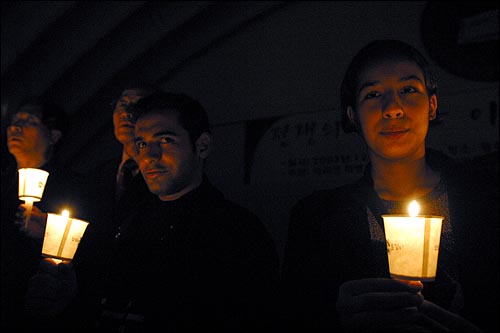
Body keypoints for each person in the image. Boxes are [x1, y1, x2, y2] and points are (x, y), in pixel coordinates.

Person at [281, 39, 498, 332]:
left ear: (432, 105)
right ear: (352, 115)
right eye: (373, 94)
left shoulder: (488, 197)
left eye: (408, 90)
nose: (393, 108)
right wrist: (332, 317)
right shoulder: (316, 220)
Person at [25, 91, 281, 332]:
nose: (150, 156)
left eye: (165, 140)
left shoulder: (236, 233)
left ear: (201, 146)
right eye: (142, 144)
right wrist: (70, 299)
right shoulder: (124, 220)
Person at [1, 96, 84, 330]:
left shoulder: (71, 187)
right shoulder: (4, 181)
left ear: (53, 136)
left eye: (29, 121)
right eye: (14, 121)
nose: (15, 127)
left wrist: (48, 230)